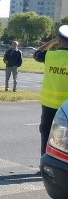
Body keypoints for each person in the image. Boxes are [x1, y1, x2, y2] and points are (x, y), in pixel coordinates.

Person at [33, 25, 68, 157]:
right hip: (66, 106)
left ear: (59, 40)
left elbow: (36, 54)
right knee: (64, 138)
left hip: (48, 104)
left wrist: (52, 42)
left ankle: (45, 162)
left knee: (46, 133)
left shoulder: (50, 56)